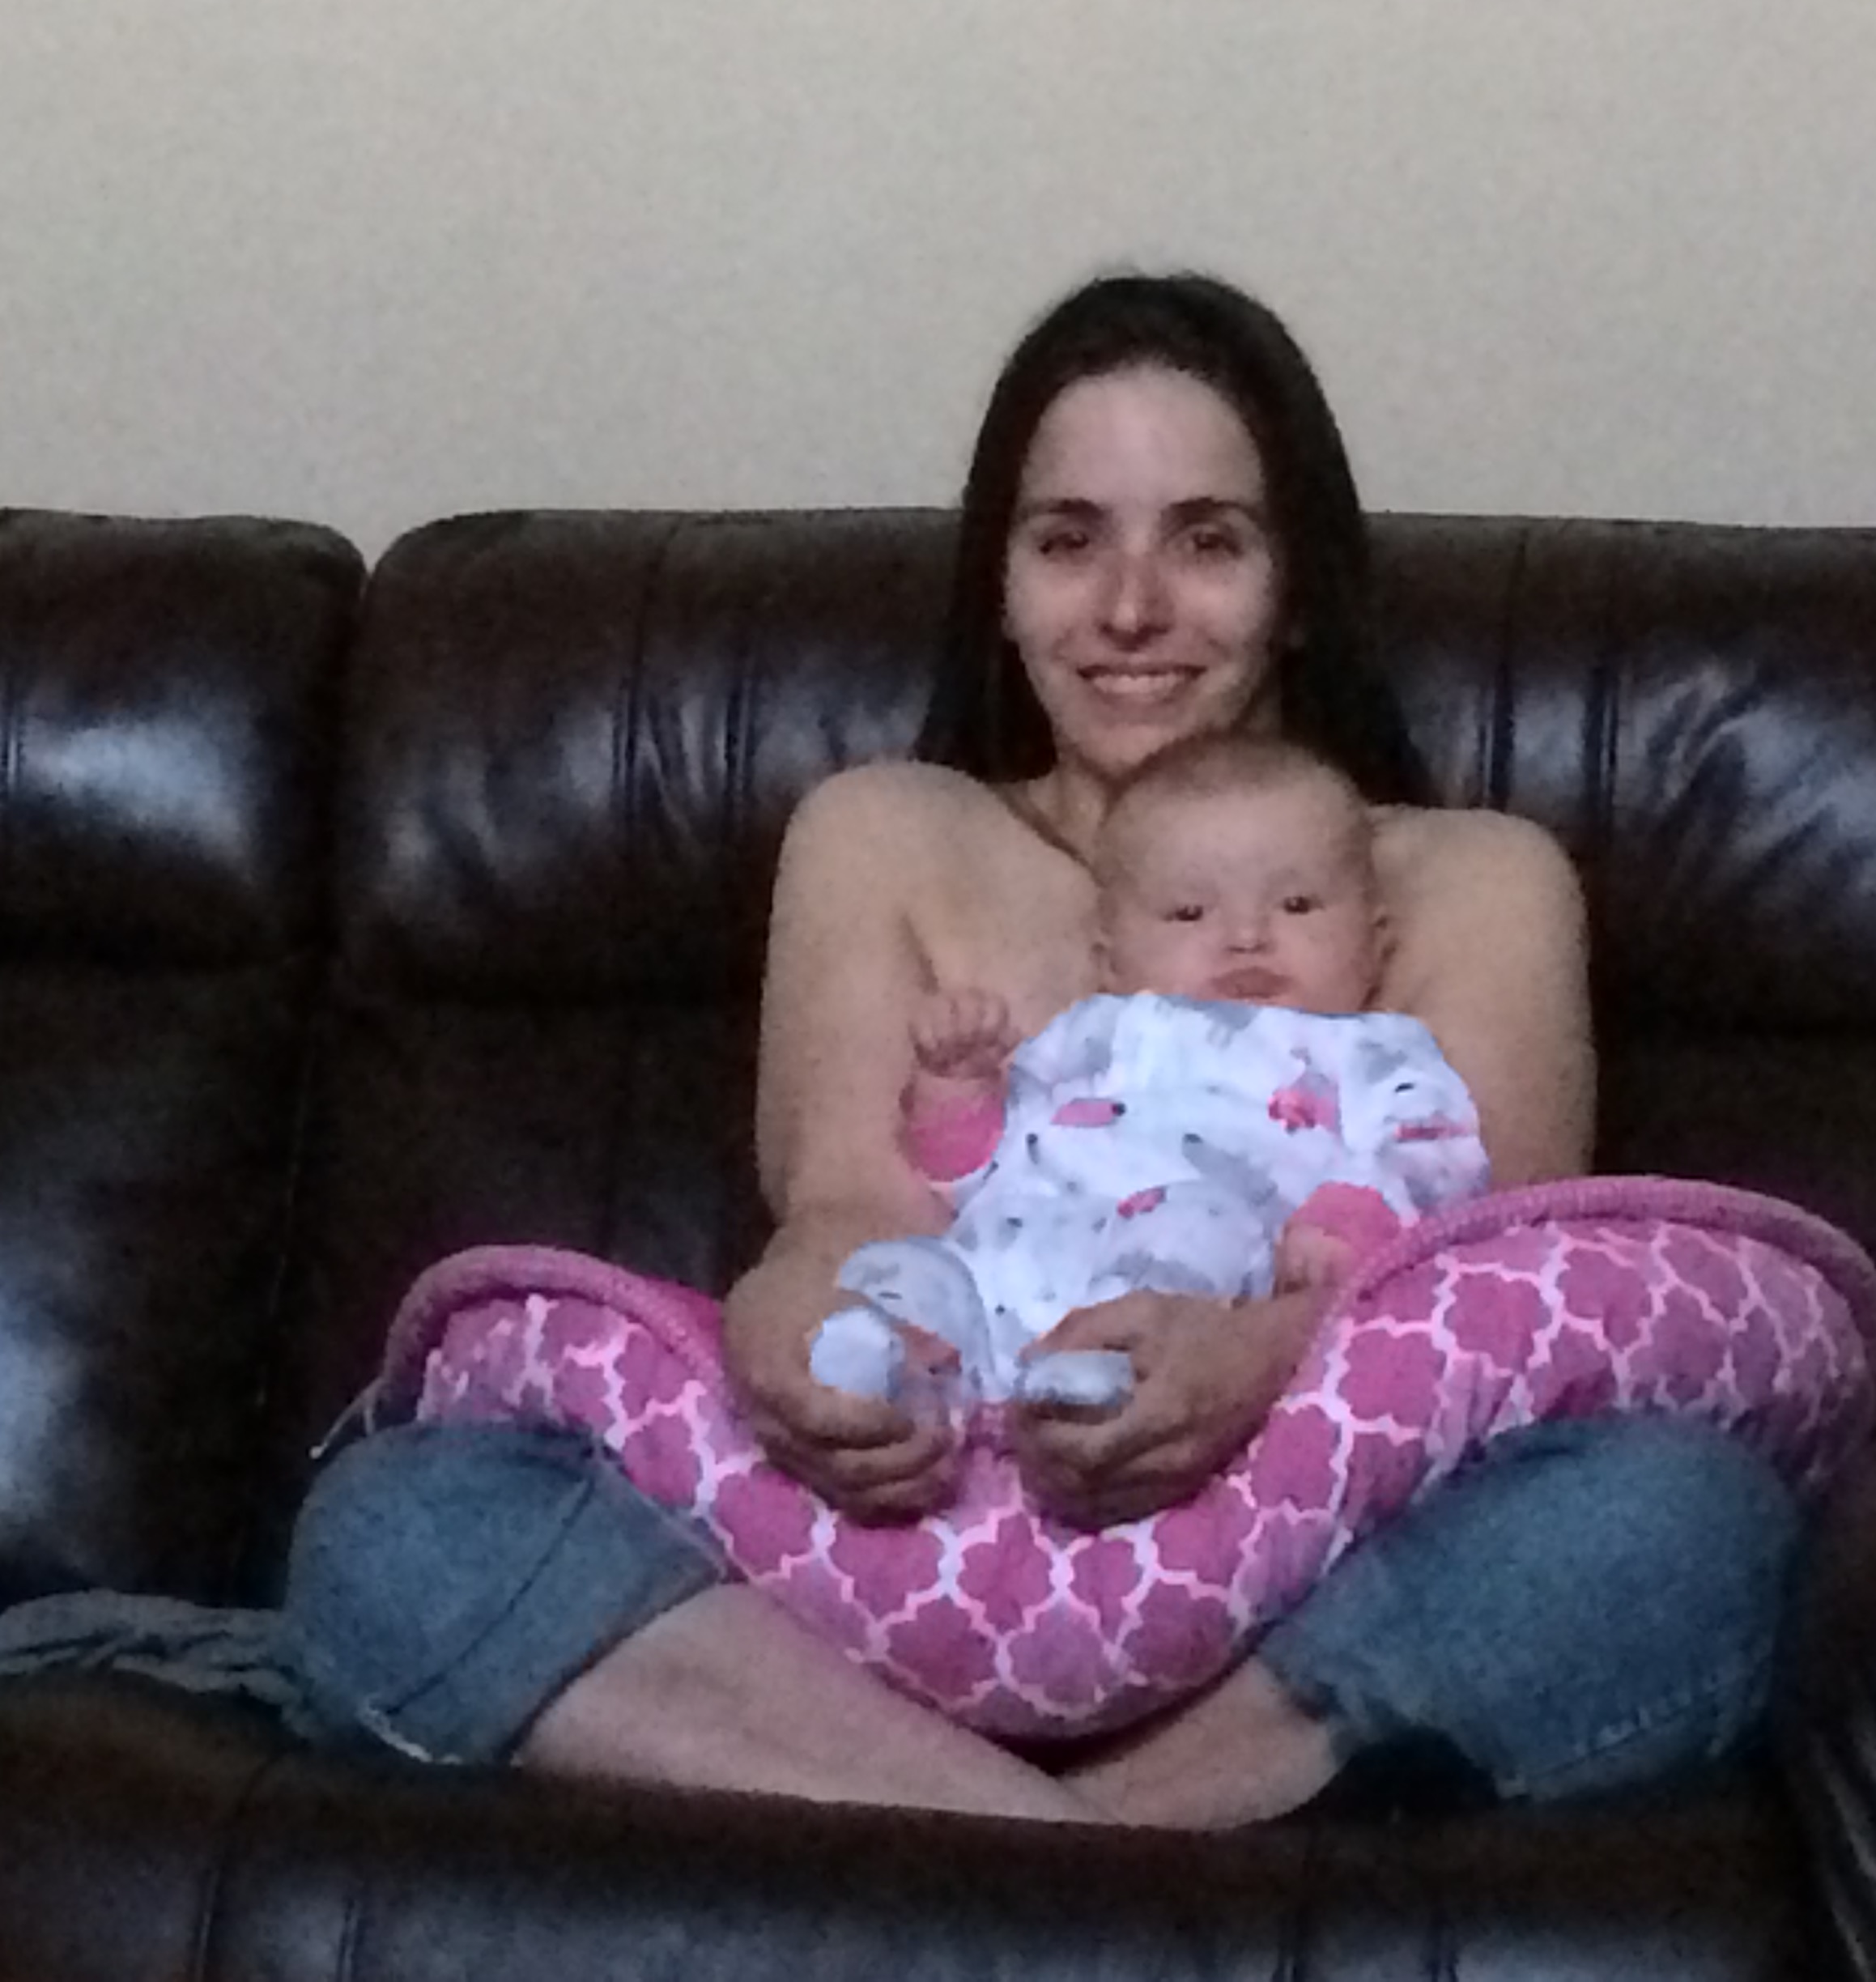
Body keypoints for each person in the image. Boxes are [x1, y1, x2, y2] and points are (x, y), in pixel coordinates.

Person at [283, 270, 1799, 1827]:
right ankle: (1094, 1874)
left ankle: (1017, 1855)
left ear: (1296, 583)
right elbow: (851, 1208)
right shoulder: (885, 829)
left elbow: (1480, 1302)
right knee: (394, 1524)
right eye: (1067, 541)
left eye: (1205, 540)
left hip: (1290, 1581)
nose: (1129, 608)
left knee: (1686, 1524)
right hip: (888, 1570)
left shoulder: (1468, 877)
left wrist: (1258, 1361)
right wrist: (791, 1332)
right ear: (999, 587)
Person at [807, 734, 1490, 1414]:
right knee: (915, 1267)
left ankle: (1103, 1370)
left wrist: (1350, 1216)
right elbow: (979, 1172)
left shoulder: (1369, 1050)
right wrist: (956, 1090)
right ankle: (887, 1369)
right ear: (1112, 961)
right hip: (1020, 1249)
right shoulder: (1088, 1036)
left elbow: (1435, 1154)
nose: (1247, 936)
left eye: (1298, 905)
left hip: (1193, 1279)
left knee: (1189, 1226)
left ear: (1375, 940)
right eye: (1190, 913)